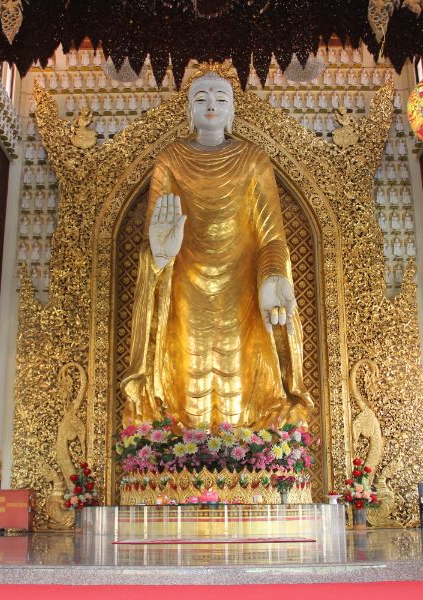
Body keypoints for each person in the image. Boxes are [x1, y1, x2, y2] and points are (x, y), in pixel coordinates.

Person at [121, 66, 313, 429]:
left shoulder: (253, 159)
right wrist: (160, 254)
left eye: (221, 99)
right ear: (188, 111)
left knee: (238, 374)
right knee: (186, 369)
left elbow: (272, 236)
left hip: (241, 285)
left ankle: (248, 458)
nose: (211, 105)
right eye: (201, 99)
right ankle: (177, 452)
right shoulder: (171, 159)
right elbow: (156, 233)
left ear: (232, 111)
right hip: (185, 283)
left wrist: (273, 276)